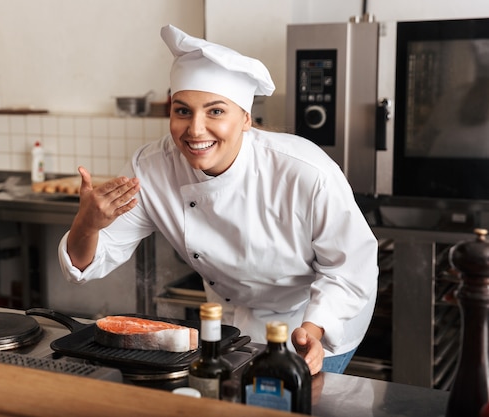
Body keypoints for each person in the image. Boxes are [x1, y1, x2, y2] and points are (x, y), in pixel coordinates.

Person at [58, 24, 378, 375]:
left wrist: (314, 330)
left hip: (316, 319)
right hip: (230, 323)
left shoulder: (304, 170)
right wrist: (86, 225)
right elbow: (86, 266)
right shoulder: (150, 169)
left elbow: (349, 269)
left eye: (215, 112)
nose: (195, 130)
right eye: (182, 111)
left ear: (245, 119)